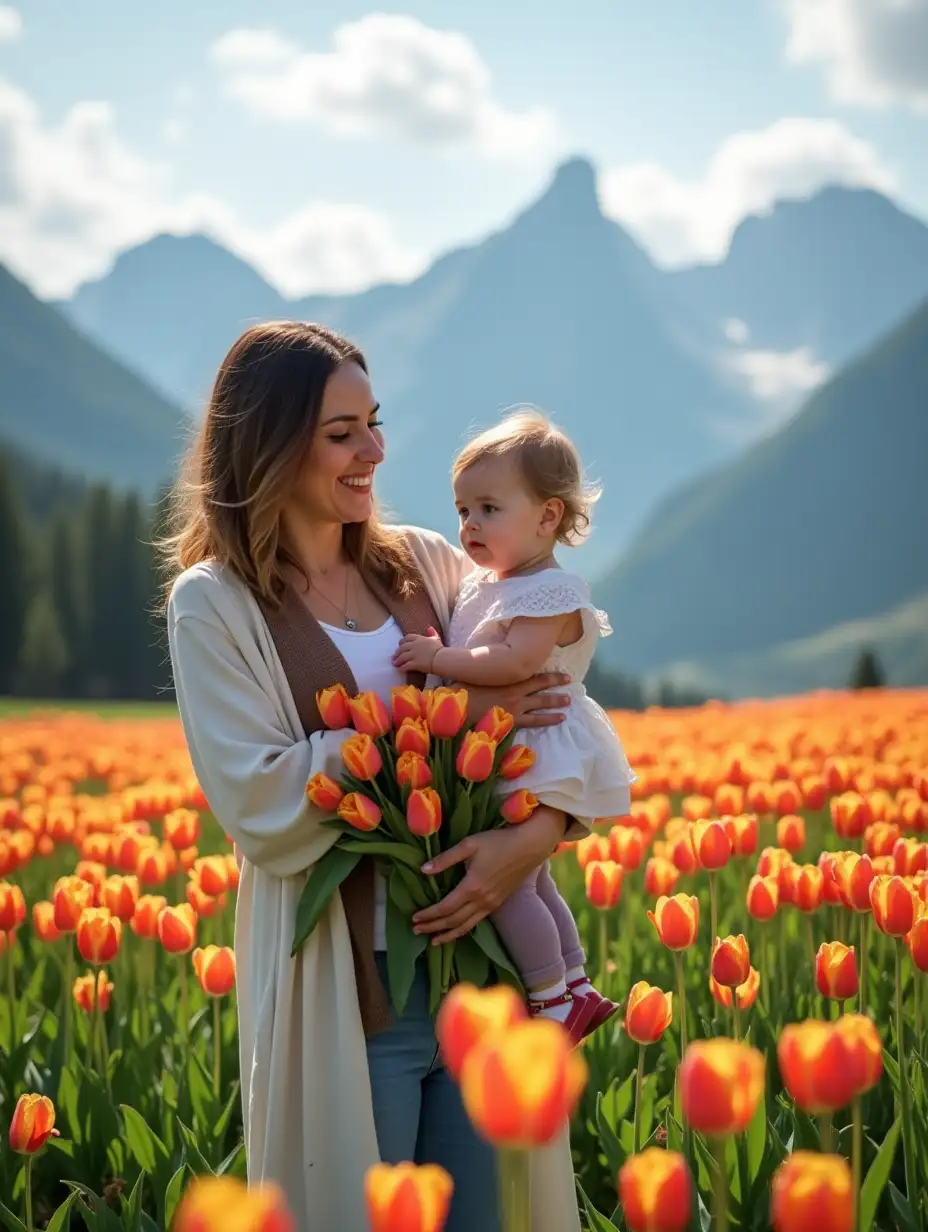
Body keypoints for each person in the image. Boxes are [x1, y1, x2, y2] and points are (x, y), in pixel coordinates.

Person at [163, 323, 587, 1232]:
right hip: (354, 991)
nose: (376, 452)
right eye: (342, 431)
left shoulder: (432, 563)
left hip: (490, 973)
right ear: (271, 444)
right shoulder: (216, 604)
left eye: (374, 422)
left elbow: (555, 712)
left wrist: (532, 840)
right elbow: (262, 798)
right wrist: (450, 720)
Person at [394, 410, 635, 1044]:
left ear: (548, 517)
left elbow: (514, 663)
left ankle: (552, 999)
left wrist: (436, 661)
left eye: (489, 509)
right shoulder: (492, 584)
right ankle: (576, 983)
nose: (469, 525)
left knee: (507, 888)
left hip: (538, 747)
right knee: (530, 876)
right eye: (463, 509)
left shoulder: (550, 591)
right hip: (516, 746)